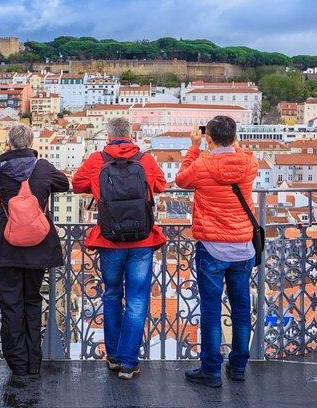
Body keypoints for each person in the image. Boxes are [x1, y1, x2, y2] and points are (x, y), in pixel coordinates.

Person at [72, 117, 166, 380]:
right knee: (136, 299)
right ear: (131, 134)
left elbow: (77, 183)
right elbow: (161, 185)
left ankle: (113, 355)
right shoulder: (145, 160)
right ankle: (128, 361)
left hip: (109, 238)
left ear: (109, 137)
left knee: (112, 294)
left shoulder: (96, 159)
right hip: (141, 239)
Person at [176, 117, 258, 388]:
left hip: (212, 246)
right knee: (242, 309)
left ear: (208, 138)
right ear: (234, 137)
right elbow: (245, 156)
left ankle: (211, 370)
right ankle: (238, 366)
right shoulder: (248, 163)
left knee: (211, 311)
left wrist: (194, 148)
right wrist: (231, 145)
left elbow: (181, 180)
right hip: (243, 246)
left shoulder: (203, 163)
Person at [0, 124, 69, 376]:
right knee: (32, 301)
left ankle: (17, 361)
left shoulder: (1, 168)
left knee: (11, 304)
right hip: (37, 243)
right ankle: (34, 361)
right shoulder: (43, 167)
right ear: (32, 142)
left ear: (9, 143)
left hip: (6, 244)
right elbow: (64, 183)